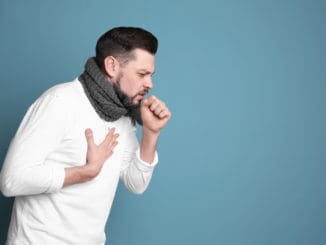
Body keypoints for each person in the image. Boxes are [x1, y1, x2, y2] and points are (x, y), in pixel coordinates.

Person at [0, 26, 171, 245]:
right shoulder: (60, 102)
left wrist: (151, 132)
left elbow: (136, 183)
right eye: (142, 74)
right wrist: (84, 173)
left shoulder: (121, 113)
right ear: (112, 66)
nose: (149, 84)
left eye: (150, 75)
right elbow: (11, 180)